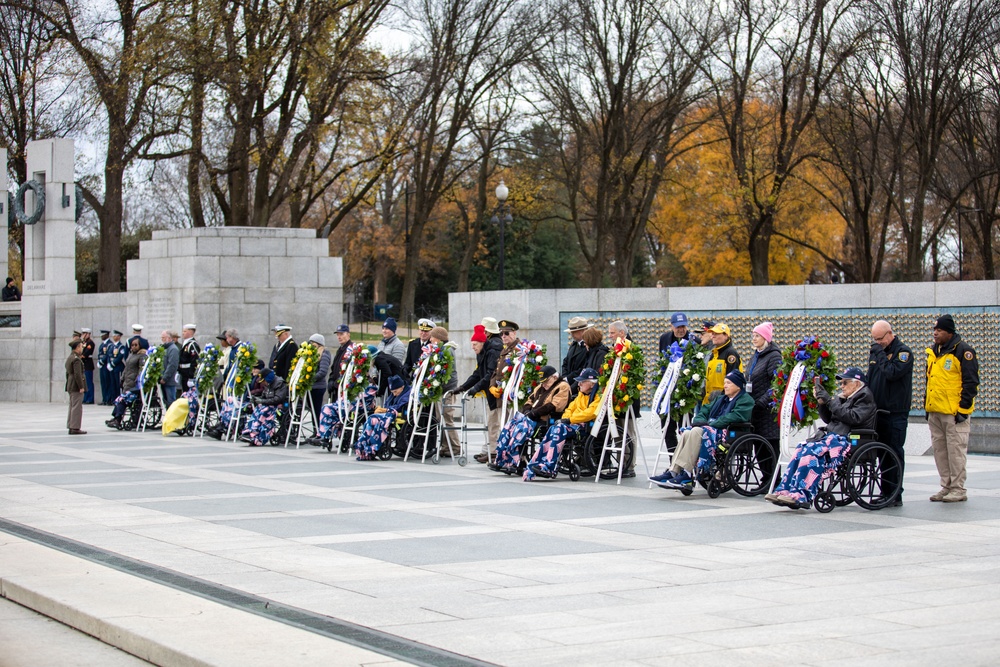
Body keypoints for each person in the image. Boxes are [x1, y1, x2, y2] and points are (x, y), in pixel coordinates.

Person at [765, 367, 877, 509]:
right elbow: (829, 419)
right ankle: (786, 489)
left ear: (856, 383)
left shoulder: (864, 396)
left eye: (845, 383)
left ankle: (801, 494)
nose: (841, 386)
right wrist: (822, 403)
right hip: (834, 435)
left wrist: (830, 401)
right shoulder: (844, 398)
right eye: (841, 383)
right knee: (801, 448)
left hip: (849, 438)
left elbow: (852, 418)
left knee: (812, 451)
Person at [651, 371, 754, 492]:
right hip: (712, 429)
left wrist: (709, 424)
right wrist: (701, 421)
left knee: (697, 431)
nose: (725, 385)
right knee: (688, 432)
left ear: (738, 385)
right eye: (724, 382)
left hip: (728, 432)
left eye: (729, 383)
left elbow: (735, 416)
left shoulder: (746, 400)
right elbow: (704, 411)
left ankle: (688, 474)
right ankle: (674, 471)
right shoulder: (721, 399)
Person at [925, 314, 979, 503]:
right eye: (934, 330)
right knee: (940, 451)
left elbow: (971, 383)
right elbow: (929, 381)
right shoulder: (933, 352)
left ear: (949, 331)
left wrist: (963, 409)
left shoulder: (963, 351)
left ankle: (958, 488)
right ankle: (946, 486)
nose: (935, 333)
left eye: (939, 330)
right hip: (935, 411)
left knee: (955, 451)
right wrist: (927, 407)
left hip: (954, 413)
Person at [523, 368, 602, 481]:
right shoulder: (581, 395)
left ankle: (549, 466)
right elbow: (569, 409)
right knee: (553, 428)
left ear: (591, 384)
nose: (579, 384)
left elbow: (589, 413)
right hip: (571, 424)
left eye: (582, 382)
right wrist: (565, 419)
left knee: (559, 429)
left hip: (583, 426)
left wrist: (570, 420)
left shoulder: (597, 397)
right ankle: (539, 462)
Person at [490, 366, 571, 472]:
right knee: (510, 426)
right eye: (542, 382)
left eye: (546, 381)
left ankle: (516, 461)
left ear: (555, 377)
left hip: (547, 419)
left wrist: (534, 413)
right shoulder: (540, 387)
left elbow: (556, 405)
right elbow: (529, 401)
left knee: (520, 428)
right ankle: (503, 459)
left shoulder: (562, 386)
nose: (544, 384)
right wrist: (527, 411)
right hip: (532, 418)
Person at [868, 319, 914, 505]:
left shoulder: (903, 353)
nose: (877, 342)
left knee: (894, 453)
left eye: (880, 338)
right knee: (881, 454)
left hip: (895, 414)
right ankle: (885, 491)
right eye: (874, 339)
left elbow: (891, 373)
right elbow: (871, 378)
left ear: (889, 333)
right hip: (878, 413)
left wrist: (879, 354)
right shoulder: (878, 353)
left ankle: (895, 494)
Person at [456, 324, 500, 459]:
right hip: (488, 392)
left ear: (482, 342)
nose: (472, 347)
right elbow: (477, 374)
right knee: (490, 423)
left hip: (495, 392)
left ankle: (494, 453)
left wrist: (475, 388)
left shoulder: (492, 352)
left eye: (475, 344)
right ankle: (491, 451)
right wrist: (463, 387)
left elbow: (489, 375)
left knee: (494, 423)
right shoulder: (481, 352)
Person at [658, 312, 700, 452]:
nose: (681, 330)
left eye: (683, 326)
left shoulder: (694, 340)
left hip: (685, 392)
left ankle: (684, 463)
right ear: (671, 326)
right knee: (667, 428)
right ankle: (673, 461)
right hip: (668, 391)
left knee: (684, 429)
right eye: (678, 327)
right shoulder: (664, 339)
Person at [480, 319, 521, 463]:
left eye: (507, 333)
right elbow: (495, 372)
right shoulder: (505, 350)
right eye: (501, 333)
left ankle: (511, 458)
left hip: (512, 396)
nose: (503, 336)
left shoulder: (519, 350)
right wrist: (492, 385)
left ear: (514, 333)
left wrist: (506, 388)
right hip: (501, 396)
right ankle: (503, 457)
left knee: (511, 429)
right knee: (503, 428)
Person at [353, 375, 411, 460]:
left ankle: (373, 447)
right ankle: (363, 446)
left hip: (400, 413)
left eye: (395, 391)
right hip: (389, 412)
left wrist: (385, 410)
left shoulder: (407, 393)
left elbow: (400, 406)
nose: (394, 394)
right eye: (392, 392)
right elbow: (387, 403)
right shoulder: (394, 393)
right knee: (371, 419)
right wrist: (382, 409)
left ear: (402, 387)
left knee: (380, 421)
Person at [746, 322, 781, 447]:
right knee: (759, 449)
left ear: (765, 338)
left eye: (757, 336)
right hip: (755, 409)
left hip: (767, 411)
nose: (754, 339)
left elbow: (777, 383)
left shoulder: (774, 356)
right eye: (753, 335)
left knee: (768, 449)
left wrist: (762, 402)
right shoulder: (756, 356)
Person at [241, 362, 289, 446]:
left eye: (263, 381)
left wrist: (262, 401)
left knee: (264, 409)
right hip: (268, 404)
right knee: (258, 409)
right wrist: (256, 399)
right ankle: (250, 432)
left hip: (278, 405)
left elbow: (278, 399)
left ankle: (259, 436)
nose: (262, 383)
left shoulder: (280, 383)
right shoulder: (267, 384)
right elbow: (264, 396)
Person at [106, 337, 148, 429]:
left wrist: (138, 381)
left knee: (123, 400)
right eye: (132, 345)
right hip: (127, 383)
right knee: (120, 399)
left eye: (136, 345)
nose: (133, 347)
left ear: (140, 345)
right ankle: (116, 418)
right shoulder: (131, 355)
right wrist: (122, 378)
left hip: (134, 385)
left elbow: (141, 370)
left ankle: (117, 419)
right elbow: (126, 368)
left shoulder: (142, 356)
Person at [702, 323, 742, 404]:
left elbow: (734, 381)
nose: (713, 336)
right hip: (709, 401)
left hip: (722, 402)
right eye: (712, 334)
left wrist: (722, 396)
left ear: (726, 336)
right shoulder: (714, 354)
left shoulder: (730, 354)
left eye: (716, 333)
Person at [307, 333, 332, 422]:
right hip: (312, 387)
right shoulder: (313, 355)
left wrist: (310, 378)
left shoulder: (324, 354)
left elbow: (322, 372)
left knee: (316, 410)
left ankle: (318, 429)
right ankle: (316, 429)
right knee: (312, 409)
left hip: (318, 387)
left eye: (312, 343)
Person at [560, 317, 590, 389]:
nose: (572, 334)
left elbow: (584, 367)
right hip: (569, 383)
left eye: (574, 332)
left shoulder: (588, 346)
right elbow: (565, 362)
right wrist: (564, 377)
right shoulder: (574, 345)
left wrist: (568, 378)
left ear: (583, 331)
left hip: (579, 385)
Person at [65, 340, 87, 434]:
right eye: (81, 347)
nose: (82, 348)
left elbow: (67, 373)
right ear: (77, 347)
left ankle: (71, 425)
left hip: (70, 384)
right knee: (77, 407)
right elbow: (78, 374)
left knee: (72, 406)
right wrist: (81, 386)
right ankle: (75, 427)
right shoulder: (76, 359)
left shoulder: (70, 357)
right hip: (76, 386)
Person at [328, 325, 353, 400]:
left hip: (344, 389)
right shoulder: (340, 350)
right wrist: (331, 380)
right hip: (336, 390)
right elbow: (334, 368)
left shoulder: (351, 349)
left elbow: (348, 371)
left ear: (348, 334)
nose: (339, 337)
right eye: (337, 335)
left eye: (341, 334)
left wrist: (336, 383)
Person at [159, 330, 180, 405]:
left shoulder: (173, 349)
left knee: (171, 402)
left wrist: (165, 377)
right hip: (164, 380)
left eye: (163, 338)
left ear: (169, 338)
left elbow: (172, 365)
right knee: (166, 402)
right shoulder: (166, 348)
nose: (162, 339)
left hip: (169, 381)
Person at [178, 324, 201, 390]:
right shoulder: (185, 344)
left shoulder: (192, 345)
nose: (183, 333)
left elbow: (195, 361)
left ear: (190, 332)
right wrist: (178, 371)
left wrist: (191, 377)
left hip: (188, 373)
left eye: (185, 331)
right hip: (183, 373)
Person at [108, 330, 127, 400]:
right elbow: (109, 355)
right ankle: (113, 398)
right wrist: (108, 363)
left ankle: (119, 398)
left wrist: (113, 364)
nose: (114, 337)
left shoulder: (121, 347)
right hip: (112, 368)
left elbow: (120, 357)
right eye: (113, 336)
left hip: (117, 367)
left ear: (119, 337)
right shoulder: (112, 346)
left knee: (118, 384)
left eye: (115, 336)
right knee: (112, 384)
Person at [80, 328, 96, 404]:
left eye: (84, 333)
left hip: (88, 364)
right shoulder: (83, 343)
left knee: (89, 382)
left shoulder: (90, 343)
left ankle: (90, 398)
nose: (83, 335)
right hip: (83, 365)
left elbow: (86, 353)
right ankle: (85, 398)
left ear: (88, 334)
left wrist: (81, 356)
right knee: (84, 383)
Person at [97, 330, 114, 405]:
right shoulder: (102, 344)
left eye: (103, 335)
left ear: (107, 335)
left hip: (106, 365)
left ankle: (108, 398)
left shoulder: (109, 344)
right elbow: (100, 354)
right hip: (102, 366)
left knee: (107, 382)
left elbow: (107, 355)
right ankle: (104, 399)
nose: (101, 336)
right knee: (103, 383)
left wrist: (101, 361)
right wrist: (99, 361)